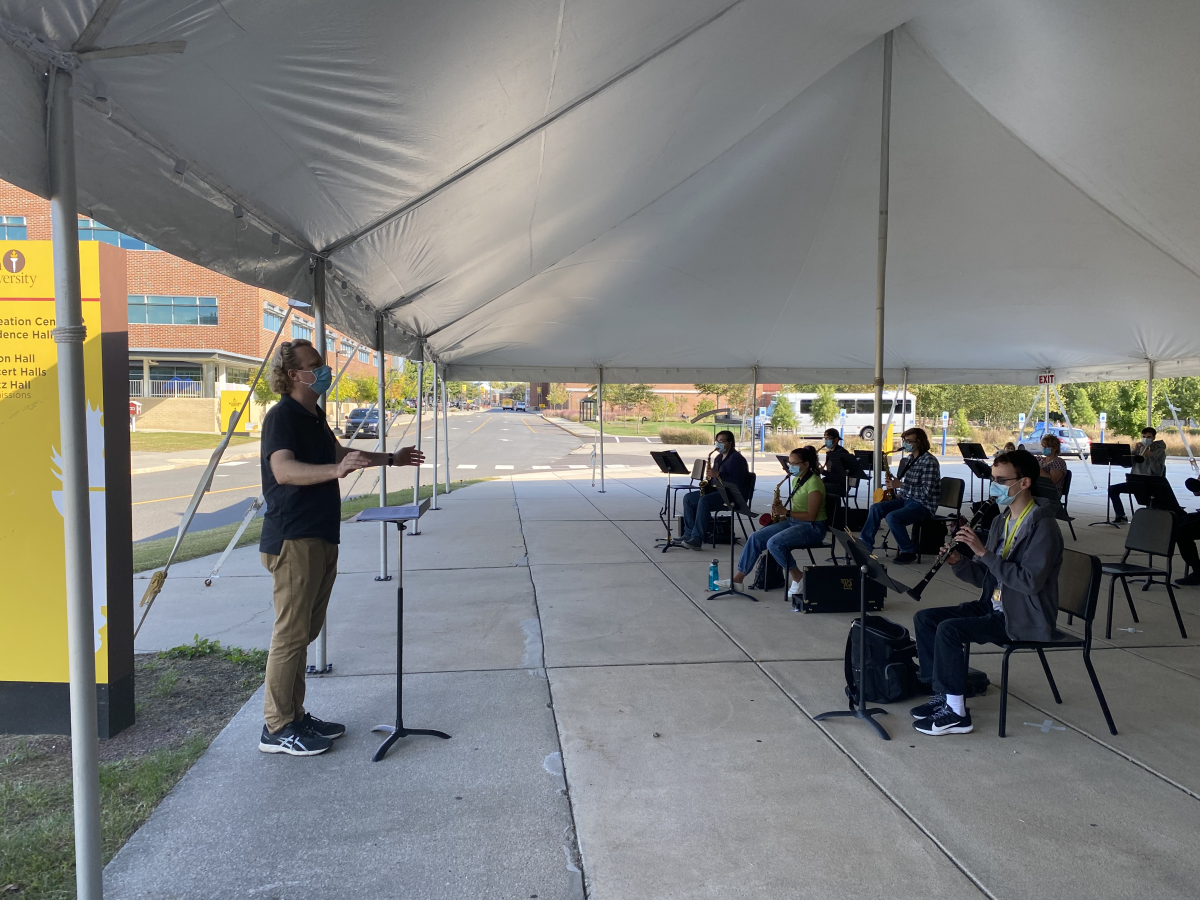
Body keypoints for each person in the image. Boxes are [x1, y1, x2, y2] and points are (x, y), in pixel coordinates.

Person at [257, 339, 424, 757]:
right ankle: (277, 728)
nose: (324, 371)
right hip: (293, 538)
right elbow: (283, 470)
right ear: (294, 375)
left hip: (319, 534)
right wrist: (335, 470)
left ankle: (295, 715)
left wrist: (392, 459)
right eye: (316, 366)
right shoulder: (283, 417)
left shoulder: (313, 416)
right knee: (291, 636)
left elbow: (342, 454)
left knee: (305, 633)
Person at [910, 449, 1064, 736]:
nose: (995, 487)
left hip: (1023, 616)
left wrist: (982, 551)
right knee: (925, 619)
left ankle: (957, 713)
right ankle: (943, 696)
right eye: (993, 479)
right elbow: (986, 577)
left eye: (1002, 481)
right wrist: (959, 562)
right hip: (994, 605)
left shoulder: (1044, 528)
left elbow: (1029, 582)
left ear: (1025, 482)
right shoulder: (1000, 522)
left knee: (949, 631)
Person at [714, 446, 827, 597]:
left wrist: (785, 512)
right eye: (789, 462)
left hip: (812, 527)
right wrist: (781, 511)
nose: (790, 466)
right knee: (756, 537)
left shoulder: (814, 483)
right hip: (794, 522)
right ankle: (738, 580)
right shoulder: (797, 480)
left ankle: (798, 577)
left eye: (794, 463)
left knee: (774, 543)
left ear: (806, 464)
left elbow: (811, 516)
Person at [859, 427, 940, 564]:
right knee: (876, 508)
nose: (905, 444)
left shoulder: (929, 462)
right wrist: (894, 488)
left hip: (923, 506)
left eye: (909, 441)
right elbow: (906, 487)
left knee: (893, 517)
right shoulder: (909, 459)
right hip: (907, 500)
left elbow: (926, 493)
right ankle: (865, 546)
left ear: (919, 442)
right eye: (904, 440)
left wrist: (901, 485)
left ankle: (908, 551)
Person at [681, 430, 751, 549]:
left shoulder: (737, 459)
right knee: (688, 498)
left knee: (704, 501)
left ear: (730, 442)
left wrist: (718, 474)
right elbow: (714, 478)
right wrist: (709, 482)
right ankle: (688, 535)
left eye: (722, 441)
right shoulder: (718, 457)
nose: (718, 444)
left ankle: (697, 540)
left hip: (734, 496)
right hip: (719, 491)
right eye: (717, 441)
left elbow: (737, 482)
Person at [1110, 427, 1166, 523]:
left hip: (1149, 484)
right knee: (1112, 489)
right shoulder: (1139, 449)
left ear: (1153, 438)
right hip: (1135, 481)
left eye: (1149, 437)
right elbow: (1126, 465)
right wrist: (1134, 452)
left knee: (1149, 499)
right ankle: (1121, 515)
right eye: (1143, 436)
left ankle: (1150, 517)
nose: (1146, 439)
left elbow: (1158, 471)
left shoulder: (1160, 451)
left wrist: (1151, 457)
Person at [820, 428, 863, 497]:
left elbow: (841, 477)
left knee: (816, 488)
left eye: (828, 439)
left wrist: (823, 472)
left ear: (836, 440)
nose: (826, 441)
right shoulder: (831, 453)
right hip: (833, 483)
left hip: (841, 486)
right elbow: (833, 474)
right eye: (825, 439)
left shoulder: (842, 453)